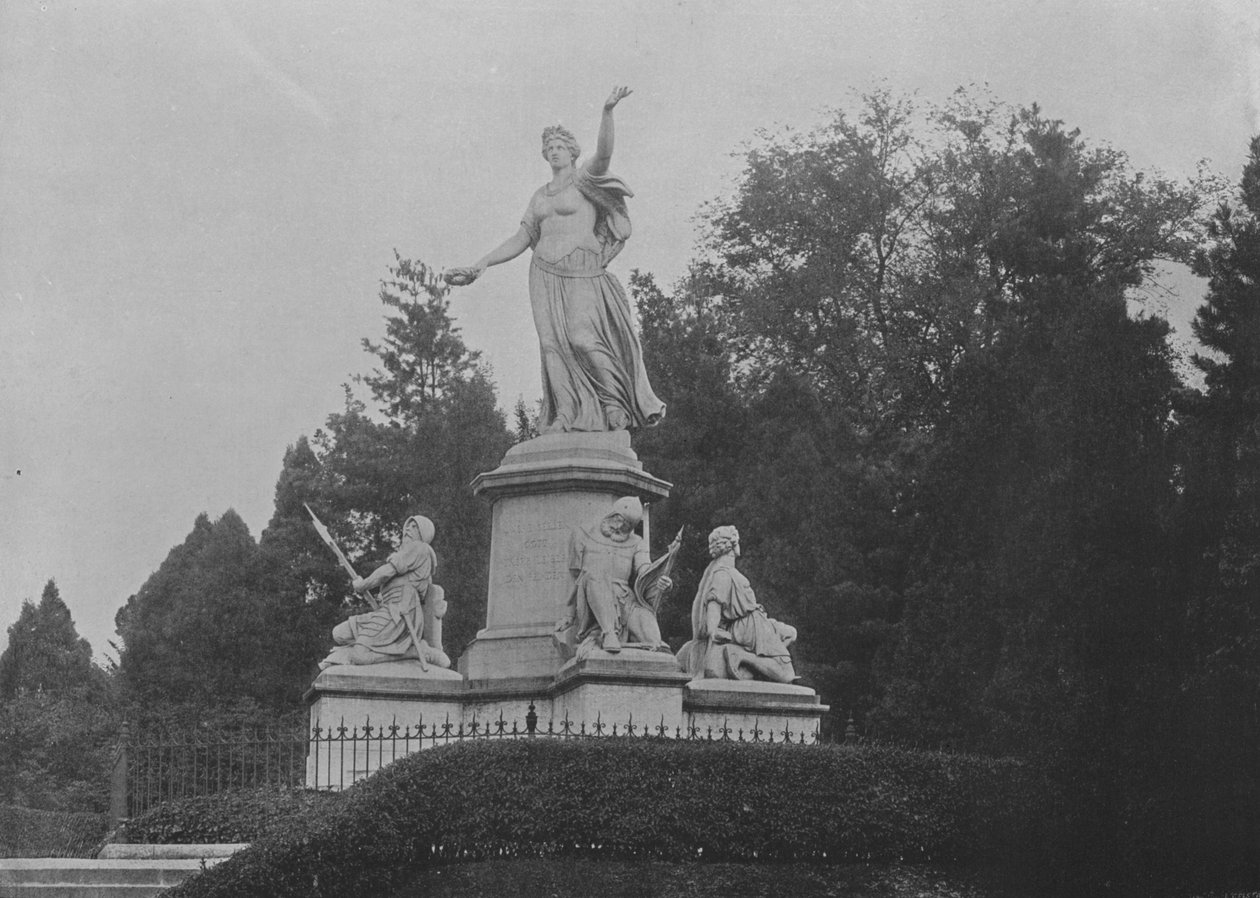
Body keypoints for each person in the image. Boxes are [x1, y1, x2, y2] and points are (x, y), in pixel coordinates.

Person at [445, 86, 665, 433]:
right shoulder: (539, 197)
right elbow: (521, 238)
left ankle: (613, 404)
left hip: (583, 270)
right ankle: (564, 415)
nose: (553, 152)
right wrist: (482, 263)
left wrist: (607, 111)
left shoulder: (585, 179)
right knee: (551, 346)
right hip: (544, 273)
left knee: (581, 337)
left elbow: (605, 154)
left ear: (572, 152)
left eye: (559, 147)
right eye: (548, 149)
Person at [319, 515, 450, 670]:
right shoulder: (409, 553)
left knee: (360, 655)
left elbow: (386, 572)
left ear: (424, 533)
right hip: (387, 611)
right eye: (408, 525)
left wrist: (363, 585)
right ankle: (367, 649)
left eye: (415, 527)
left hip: (402, 614)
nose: (408, 529)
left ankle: (415, 651)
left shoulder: (419, 548)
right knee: (339, 633)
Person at [676, 526, 799, 683]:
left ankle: (758, 666)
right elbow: (714, 602)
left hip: (758, 622)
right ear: (733, 545)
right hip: (749, 626)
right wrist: (713, 630)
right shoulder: (723, 573)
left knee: (790, 633)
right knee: (786, 675)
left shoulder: (725, 571)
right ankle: (742, 656)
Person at [559, 497, 672, 655]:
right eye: (617, 520)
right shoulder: (583, 533)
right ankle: (608, 633)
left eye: (626, 526)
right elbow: (573, 576)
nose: (619, 527)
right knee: (593, 573)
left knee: (653, 641)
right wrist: (568, 615)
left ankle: (625, 648)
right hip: (592, 593)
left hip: (625, 598)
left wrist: (660, 580)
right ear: (611, 514)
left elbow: (645, 569)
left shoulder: (636, 542)